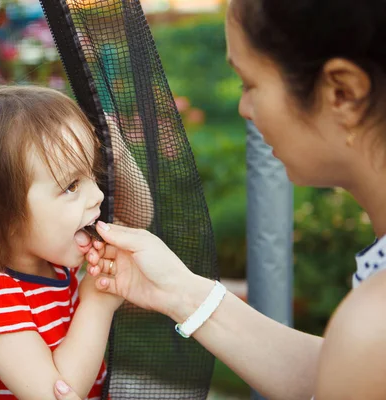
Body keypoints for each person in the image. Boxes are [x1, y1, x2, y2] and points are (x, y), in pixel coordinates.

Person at [54, 0, 386, 399]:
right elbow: (337, 370)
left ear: (342, 92)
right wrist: (180, 291)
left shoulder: (373, 326)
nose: (244, 108)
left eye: (250, 84)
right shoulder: (367, 339)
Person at [0, 85, 152, 399]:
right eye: (72, 186)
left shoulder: (55, 258)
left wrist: (114, 141)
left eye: (93, 173)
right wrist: (98, 303)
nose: (98, 195)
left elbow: (139, 219)